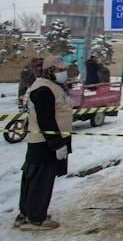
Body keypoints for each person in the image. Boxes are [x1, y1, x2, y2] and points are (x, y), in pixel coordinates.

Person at [15, 56, 72, 231]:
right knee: (41, 181)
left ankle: (27, 213)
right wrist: (57, 144)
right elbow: (45, 120)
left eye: (64, 70)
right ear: (49, 71)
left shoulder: (50, 86)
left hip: (43, 142)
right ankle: (35, 219)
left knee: (33, 179)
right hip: (44, 143)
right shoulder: (43, 89)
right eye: (59, 70)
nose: (63, 73)